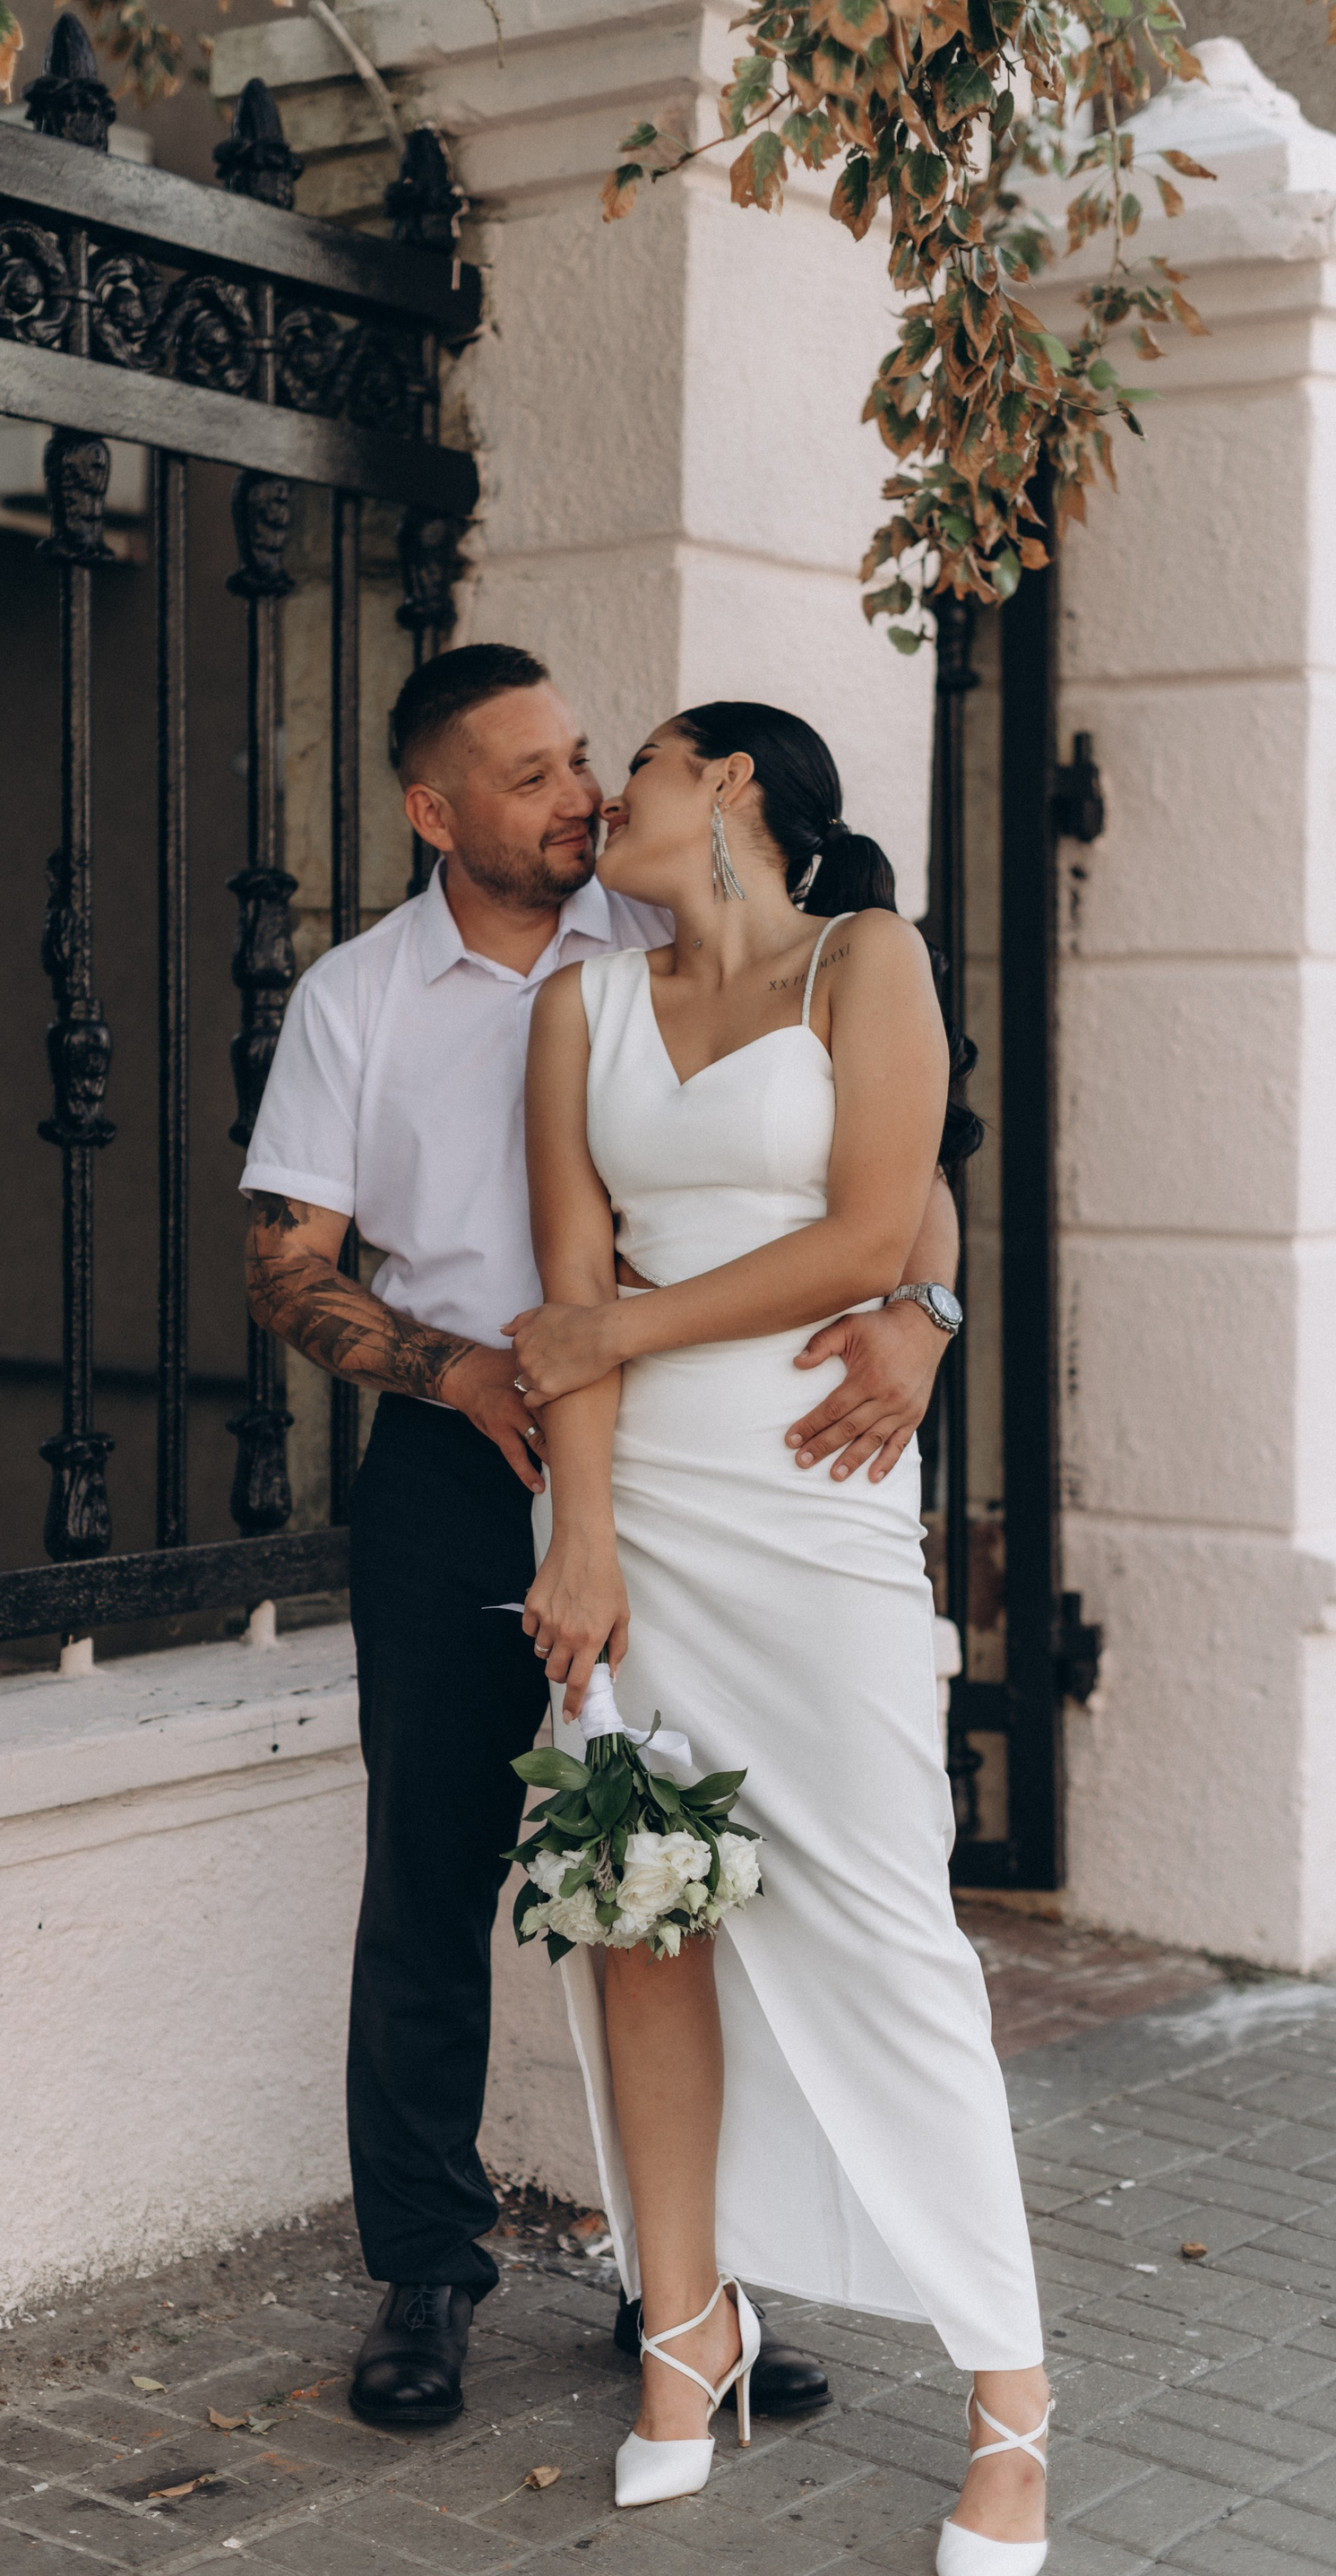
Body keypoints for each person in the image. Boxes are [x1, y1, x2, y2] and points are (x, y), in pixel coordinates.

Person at [240, 646, 963, 2433]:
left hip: (676, 1469)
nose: (581, 796)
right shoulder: (354, 997)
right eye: (535, 775)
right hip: (453, 1467)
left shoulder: (667, 936)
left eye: (585, 759)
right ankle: (427, 2268)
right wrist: (454, 1368)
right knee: (431, 1873)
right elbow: (287, 1266)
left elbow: (888, 1162)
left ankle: (687, 2281)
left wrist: (928, 1310)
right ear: (435, 812)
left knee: (687, 1874)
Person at [506, 701, 1047, 2567]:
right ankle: (685, 2338)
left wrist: (631, 1329)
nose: (602, 799)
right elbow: (563, 1281)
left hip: (818, 1502)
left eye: (637, 766)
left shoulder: (863, 958)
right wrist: (581, 1536)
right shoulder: (574, 1010)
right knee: (641, 1915)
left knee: (889, 1923)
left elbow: (876, 1230)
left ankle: (1010, 2401)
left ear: (729, 781)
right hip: (634, 1509)